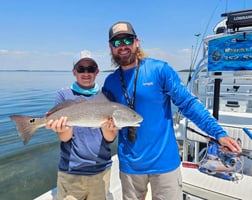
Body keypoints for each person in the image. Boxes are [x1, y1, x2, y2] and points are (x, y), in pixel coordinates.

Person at [102, 21, 242, 200]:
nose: (122, 46)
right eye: (116, 42)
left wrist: (218, 133)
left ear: (137, 42)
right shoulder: (110, 82)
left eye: (127, 40)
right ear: (110, 47)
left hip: (165, 162)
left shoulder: (159, 70)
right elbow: (101, 120)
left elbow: (188, 104)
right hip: (130, 165)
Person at [46, 50, 117, 200]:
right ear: (74, 72)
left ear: (97, 72)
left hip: (101, 171)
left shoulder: (107, 96)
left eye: (90, 69)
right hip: (71, 172)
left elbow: (110, 138)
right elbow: (65, 138)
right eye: (81, 69)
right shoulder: (63, 95)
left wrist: (109, 127)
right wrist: (63, 128)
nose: (86, 73)